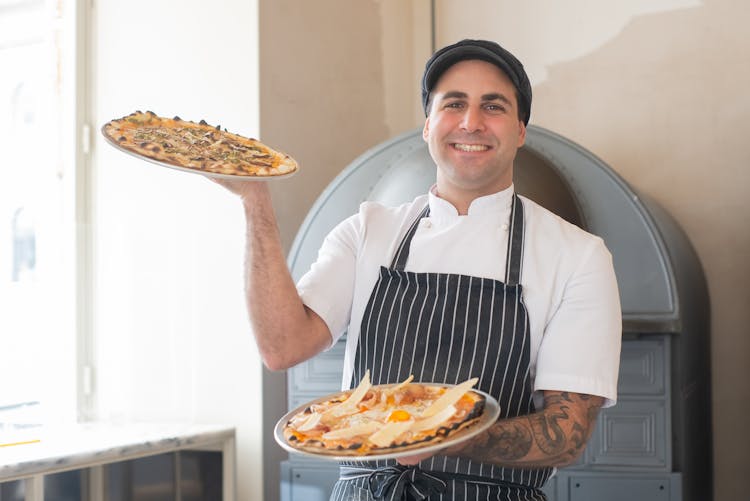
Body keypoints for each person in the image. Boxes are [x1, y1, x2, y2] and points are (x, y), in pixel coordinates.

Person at [216, 39, 622, 501]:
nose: (471, 122)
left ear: (521, 130)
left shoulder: (578, 255)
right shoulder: (369, 230)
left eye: (493, 106)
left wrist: (444, 433)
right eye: (454, 104)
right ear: (428, 125)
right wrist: (255, 201)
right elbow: (281, 347)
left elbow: (566, 433)